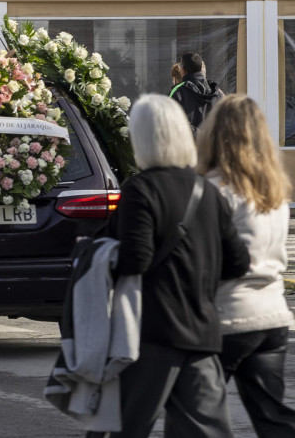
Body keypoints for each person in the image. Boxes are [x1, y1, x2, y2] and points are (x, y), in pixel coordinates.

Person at [99, 94, 250, 438]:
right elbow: (239, 262)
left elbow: (135, 259)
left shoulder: (140, 189)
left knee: (126, 427)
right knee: (205, 431)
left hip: (151, 335)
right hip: (202, 334)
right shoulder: (207, 191)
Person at [196, 94, 295, 437]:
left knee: (195, 415)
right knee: (272, 417)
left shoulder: (213, 189)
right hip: (272, 314)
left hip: (227, 315)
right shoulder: (275, 193)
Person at [169, 52, 222, 131]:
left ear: (183, 70)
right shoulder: (216, 92)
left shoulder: (178, 92)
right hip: (212, 138)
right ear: (201, 69)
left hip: (188, 138)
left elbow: (170, 121)